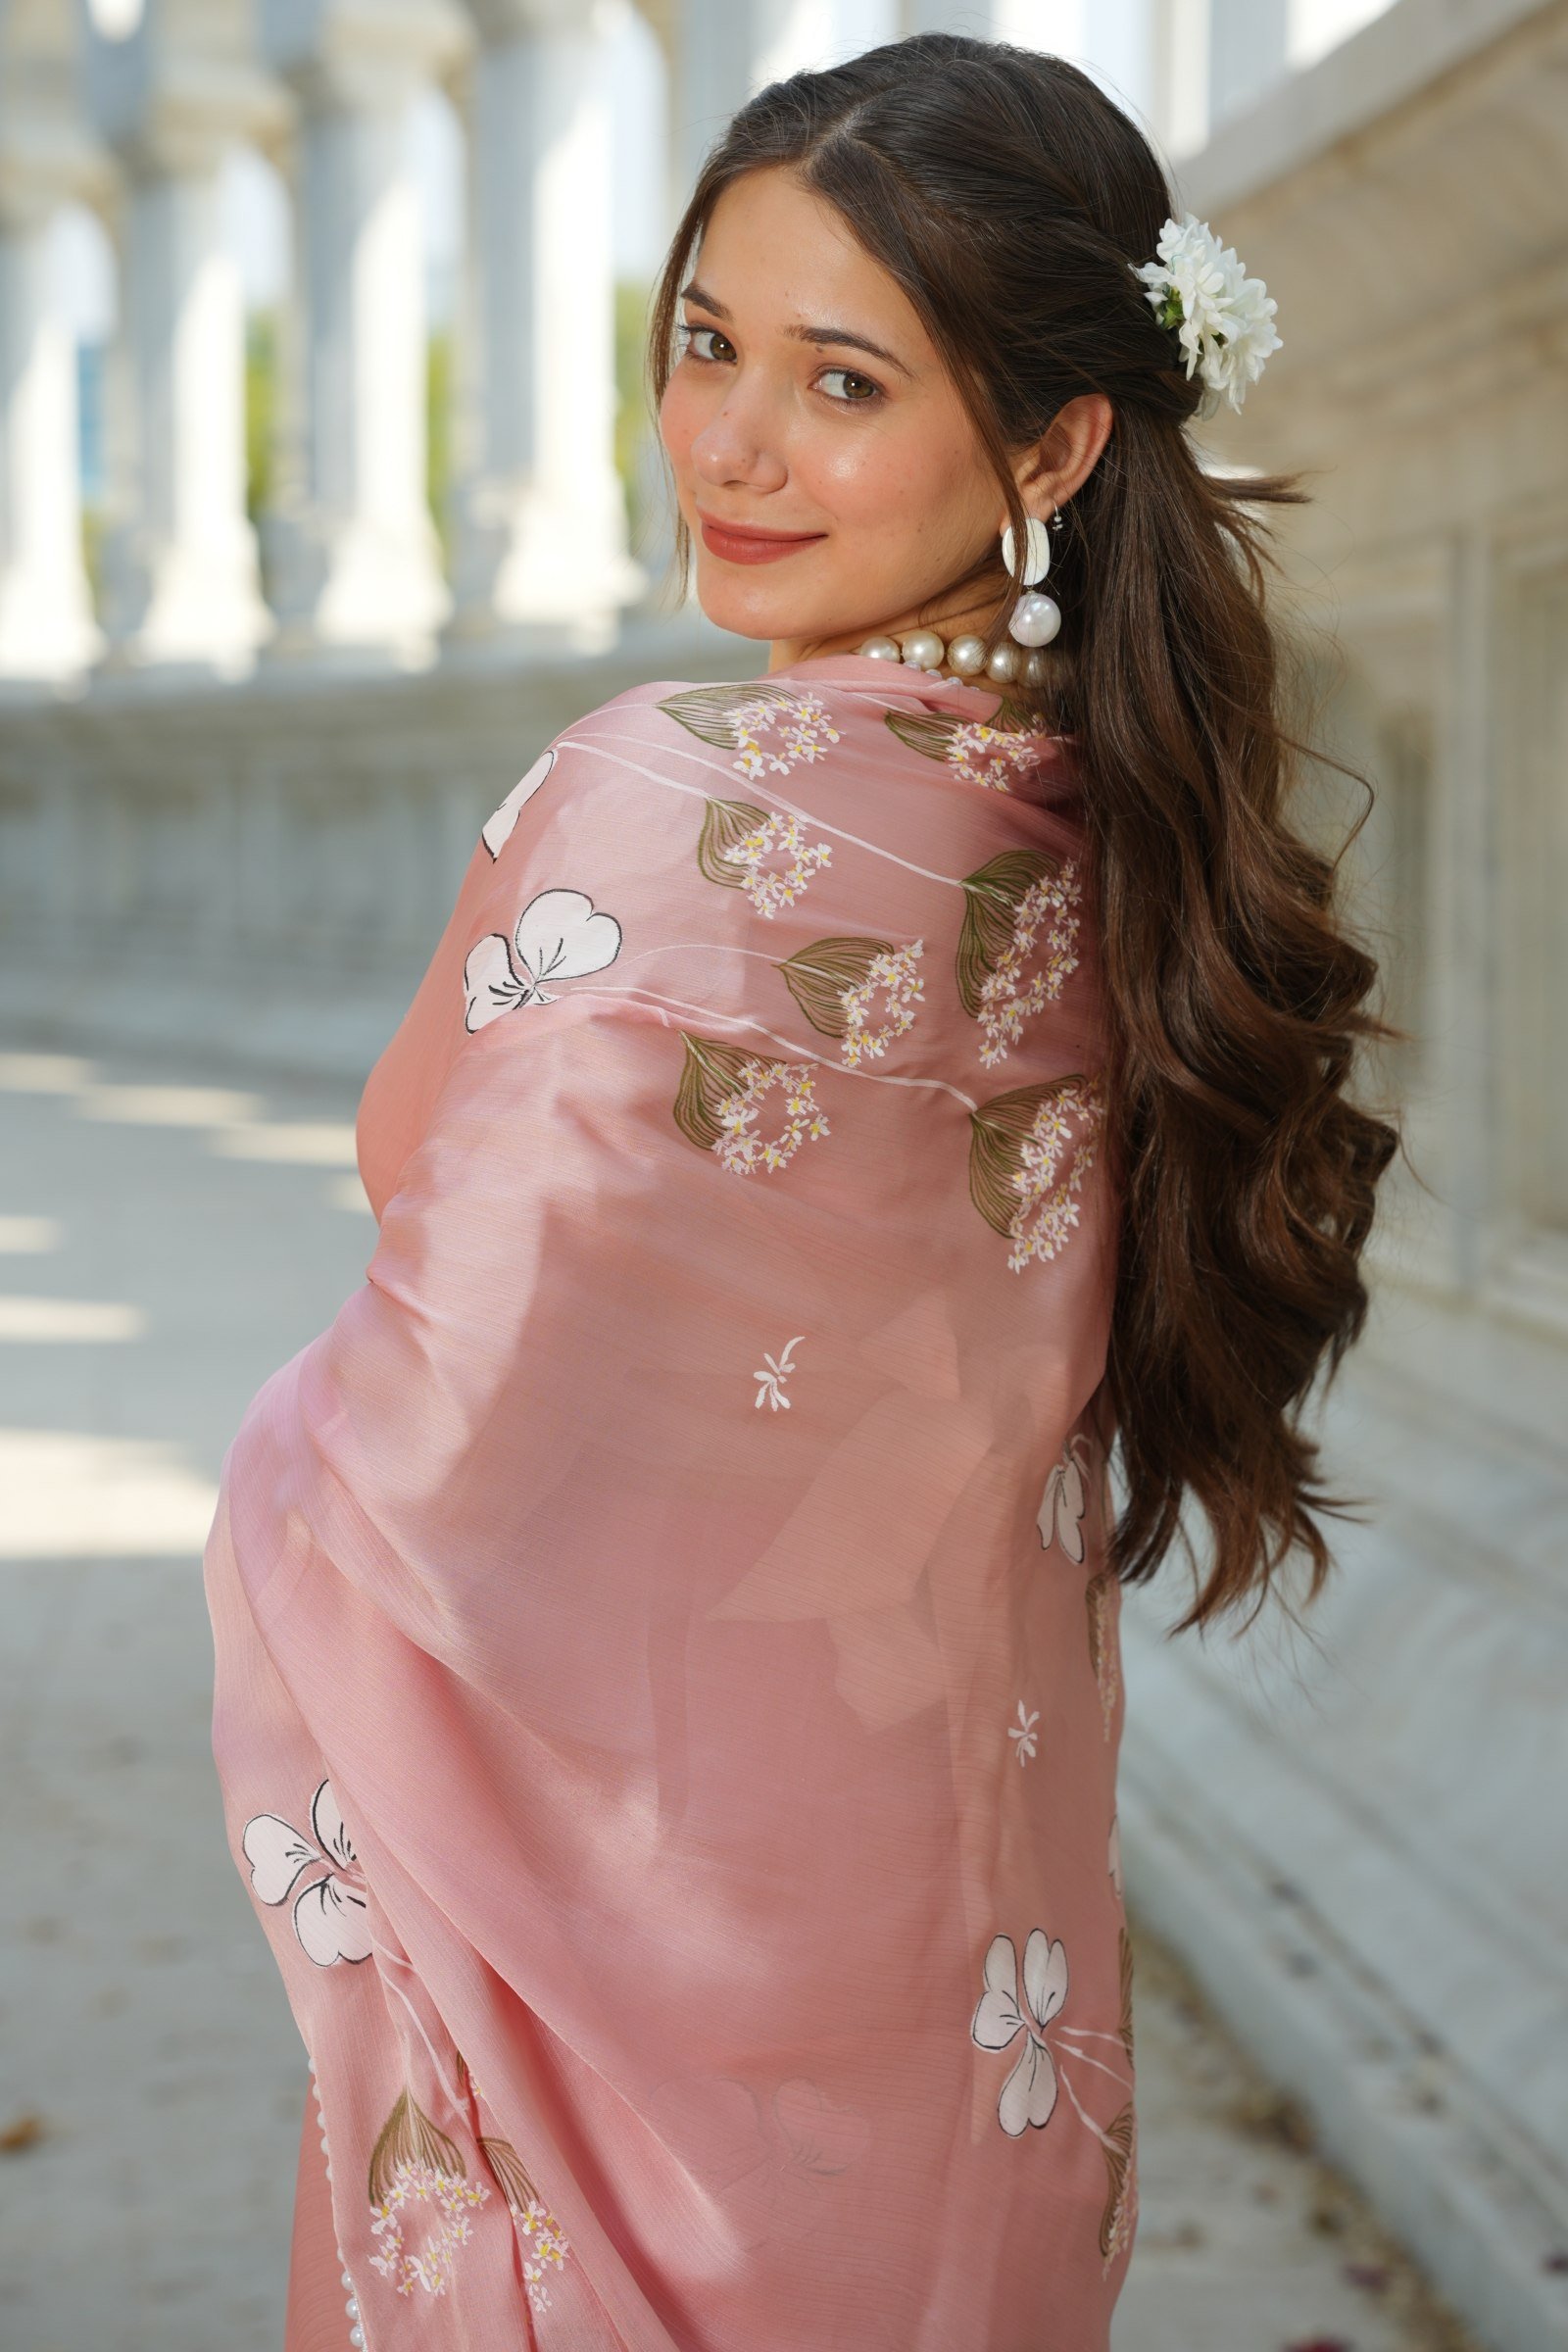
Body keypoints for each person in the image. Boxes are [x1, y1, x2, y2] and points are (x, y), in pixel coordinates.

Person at [203, 32, 1397, 2352]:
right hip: (954, 1940)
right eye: (703, 347)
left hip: (629, 1957)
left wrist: (284, 1484)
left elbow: (435, 1313)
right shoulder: (1127, 841)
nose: (731, 445)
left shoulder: (658, 795)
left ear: (1047, 445)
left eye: (839, 382)